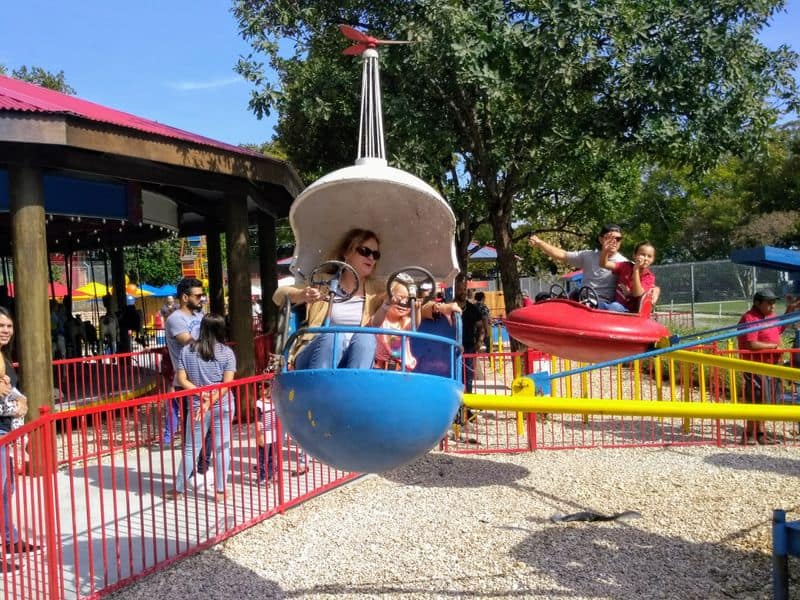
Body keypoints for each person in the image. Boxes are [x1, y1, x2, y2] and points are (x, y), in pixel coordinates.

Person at [272, 228, 385, 370]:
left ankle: (355, 388)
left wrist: (405, 291)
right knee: (334, 337)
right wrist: (302, 295)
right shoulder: (322, 281)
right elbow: (278, 295)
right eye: (365, 251)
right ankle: (321, 389)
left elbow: (404, 291)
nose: (371, 258)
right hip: (317, 350)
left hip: (354, 356)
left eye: (376, 255)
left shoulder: (378, 290)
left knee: (367, 338)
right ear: (346, 253)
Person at [171, 313, 237, 502]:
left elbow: (182, 380)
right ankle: (220, 491)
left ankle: (179, 489)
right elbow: (226, 384)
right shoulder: (226, 353)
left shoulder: (187, 351)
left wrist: (202, 394)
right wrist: (211, 398)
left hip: (197, 404)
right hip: (222, 404)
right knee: (222, 448)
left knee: (192, 448)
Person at [737, 289, 800, 444]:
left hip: (771, 366)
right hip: (756, 366)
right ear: (758, 303)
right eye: (769, 303)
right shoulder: (749, 318)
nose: (773, 306)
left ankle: (760, 433)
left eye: (773, 303)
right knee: (755, 399)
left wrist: (790, 309)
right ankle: (749, 433)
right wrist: (773, 347)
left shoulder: (770, 317)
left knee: (766, 400)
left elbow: (780, 328)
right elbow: (752, 344)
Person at [0, 307, 38, 565]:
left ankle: (10, 537)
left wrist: (19, 397)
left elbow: (9, 389)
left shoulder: (3, 356)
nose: (5, 330)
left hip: (7, 428)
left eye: (9, 326)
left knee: (7, 488)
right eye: (1, 326)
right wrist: (17, 399)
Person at [529, 224, 626, 305]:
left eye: (618, 239)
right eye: (609, 238)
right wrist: (539, 243)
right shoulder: (588, 255)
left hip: (604, 307)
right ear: (601, 240)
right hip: (582, 301)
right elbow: (562, 255)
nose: (614, 242)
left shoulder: (625, 263)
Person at [162, 278, 204, 451]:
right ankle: (191, 472)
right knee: (192, 430)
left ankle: (203, 468)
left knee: (205, 428)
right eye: (198, 296)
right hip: (187, 379)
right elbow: (191, 343)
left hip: (204, 375)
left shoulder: (200, 316)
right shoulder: (175, 319)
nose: (201, 298)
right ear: (185, 297)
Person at [371, 278, 421, 370]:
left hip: (401, 368)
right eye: (399, 298)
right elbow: (375, 323)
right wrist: (386, 305)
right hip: (380, 367)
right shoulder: (381, 320)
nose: (403, 303)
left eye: (408, 300)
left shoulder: (406, 323)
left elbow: (415, 326)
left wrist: (417, 310)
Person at [597, 241, 657, 312]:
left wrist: (636, 270)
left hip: (629, 311)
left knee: (614, 306)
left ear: (653, 259)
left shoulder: (649, 277)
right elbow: (604, 264)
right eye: (642, 254)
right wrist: (605, 251)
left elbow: (637, 294)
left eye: (649, 256)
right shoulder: (625, 266)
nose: (646, 258)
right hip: (616, 305)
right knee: (598, 305)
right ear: (635, 255)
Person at [254, 381, 277, 484]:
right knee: (263, 458)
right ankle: (262, 478)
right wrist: (260, 435)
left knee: (272, 456)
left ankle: (271, 475)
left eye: (264, 387)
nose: (261, 389)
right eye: (260, 387)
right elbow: (258, 421)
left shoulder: (274, 402)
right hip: (264, 435)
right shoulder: (258, 404)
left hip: (274, 434)